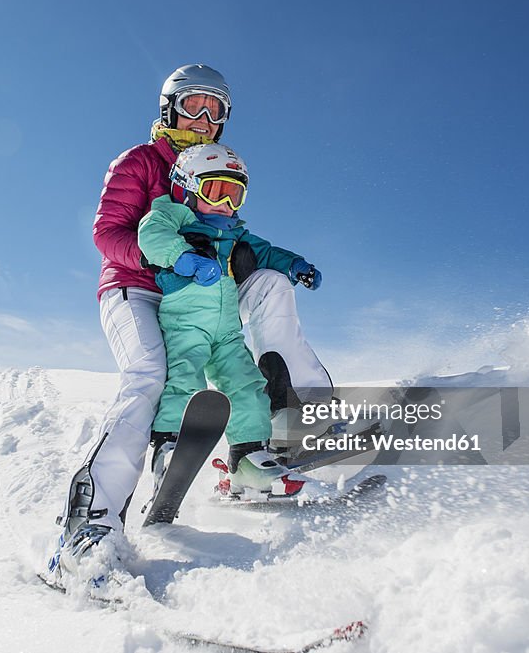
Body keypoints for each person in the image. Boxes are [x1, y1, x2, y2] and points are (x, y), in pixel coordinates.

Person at [52, 64, 332, 577]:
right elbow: (109, 233)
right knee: (150, 376)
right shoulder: (140, 162)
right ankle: (87, 524)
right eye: (192, 106)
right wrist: (172, 260)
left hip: (211, 297)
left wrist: (271, 260)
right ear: (169, 108)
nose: (203, 118)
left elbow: (250, 242)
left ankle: (297, 418)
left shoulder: (217, 170)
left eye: (216, 109)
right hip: (137, 285)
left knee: (270, 283)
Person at [139, 143, 319, 497]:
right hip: (185, 321)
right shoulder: (172, 214)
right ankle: (170, 446)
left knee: (247, 385)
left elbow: (267, 252)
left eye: (235, 196)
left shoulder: (235, 233)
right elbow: (151, 235)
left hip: (226, 329)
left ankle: (248, 458)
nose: (226, 205)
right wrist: (183, 256)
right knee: (184, 378)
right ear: (186, 187)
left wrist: (296, 264)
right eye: (216, 191)